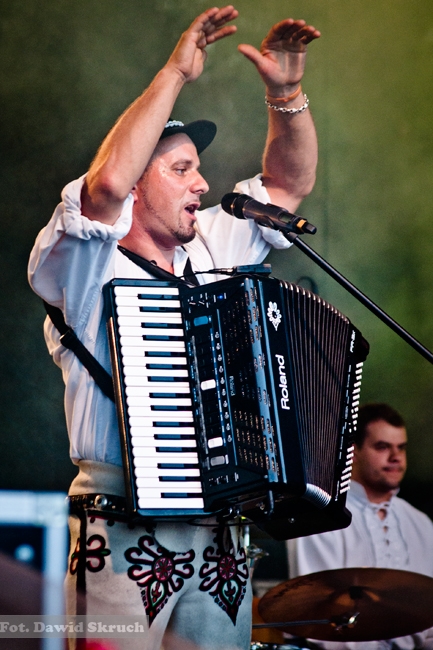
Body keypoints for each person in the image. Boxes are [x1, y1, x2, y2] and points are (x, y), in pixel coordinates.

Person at [28, 5, 320, 650]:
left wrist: (287, 95)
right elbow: (106, 184)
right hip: (119, 516)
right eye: (180, 169)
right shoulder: (83, 257)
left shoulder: (214, 241)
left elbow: (289, 186)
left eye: (197, 169)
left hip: (222, 524)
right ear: (139, 185)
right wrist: (175, 74)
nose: (202, 183)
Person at [288, 403, 433, 650]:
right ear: (353, 452)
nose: (396, 457)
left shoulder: (421, 523)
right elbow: (317, 616)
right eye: (382, 447)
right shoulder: (321, 517)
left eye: (401, 447)